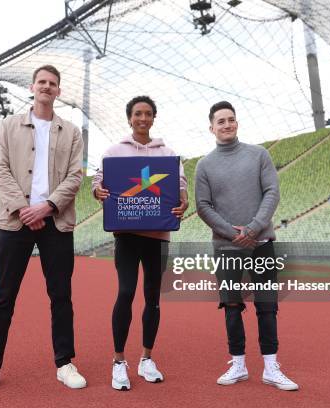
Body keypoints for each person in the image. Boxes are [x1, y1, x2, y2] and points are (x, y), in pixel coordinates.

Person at [0, 65, 86, 393]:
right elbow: (0, 171)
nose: (47, 87)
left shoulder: (72, 132)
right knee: (3, 295)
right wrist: (24, 209)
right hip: (14, 221)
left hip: (56, 222)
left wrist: (47, 207)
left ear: (58, 91)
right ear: (33, 88)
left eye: (53, 84)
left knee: (60, 295)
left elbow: (75, 177)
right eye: (42, 83)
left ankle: (65, 363)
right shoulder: (8, 126)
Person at [195, 101, 298, 391]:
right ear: (211, 127)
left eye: (231, 120)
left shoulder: (259, 155)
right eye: (221, 121)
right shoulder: (204, 165)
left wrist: (252, 228)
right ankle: (238, 364)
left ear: (236, 123)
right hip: (226, 248)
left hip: (261, 242)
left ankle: (270, 367)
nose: (227, 125)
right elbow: (203, 206)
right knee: (231, 305)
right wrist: (232, 234)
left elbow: (272, 192)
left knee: (267, 306)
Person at [92, 95, 188, 391]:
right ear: (129, 118)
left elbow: (180, 188)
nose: (143, 118)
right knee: (125, 292)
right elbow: (98, 182)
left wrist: (183, 202)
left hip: (158, 236)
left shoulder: (169, 153)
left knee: (153, 297)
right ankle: (119, 361)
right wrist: (99, 192)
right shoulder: (114, 151)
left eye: (148, 113)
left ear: (153, 117)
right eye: (137, 114)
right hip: (127, 235)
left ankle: (147, 358)